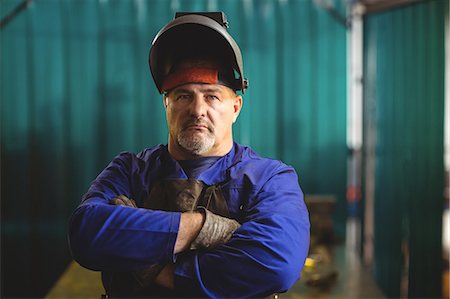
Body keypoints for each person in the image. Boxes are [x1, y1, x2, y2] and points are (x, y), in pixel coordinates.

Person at [68, 12, 310, 298]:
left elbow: (276, 264)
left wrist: (157, 268)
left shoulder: (269, 179)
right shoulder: (130, 171)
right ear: (166, 104)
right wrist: (207, 228)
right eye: (183, 95)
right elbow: (86, 234)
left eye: (212, 96)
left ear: (235, 108)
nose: (197, 110)